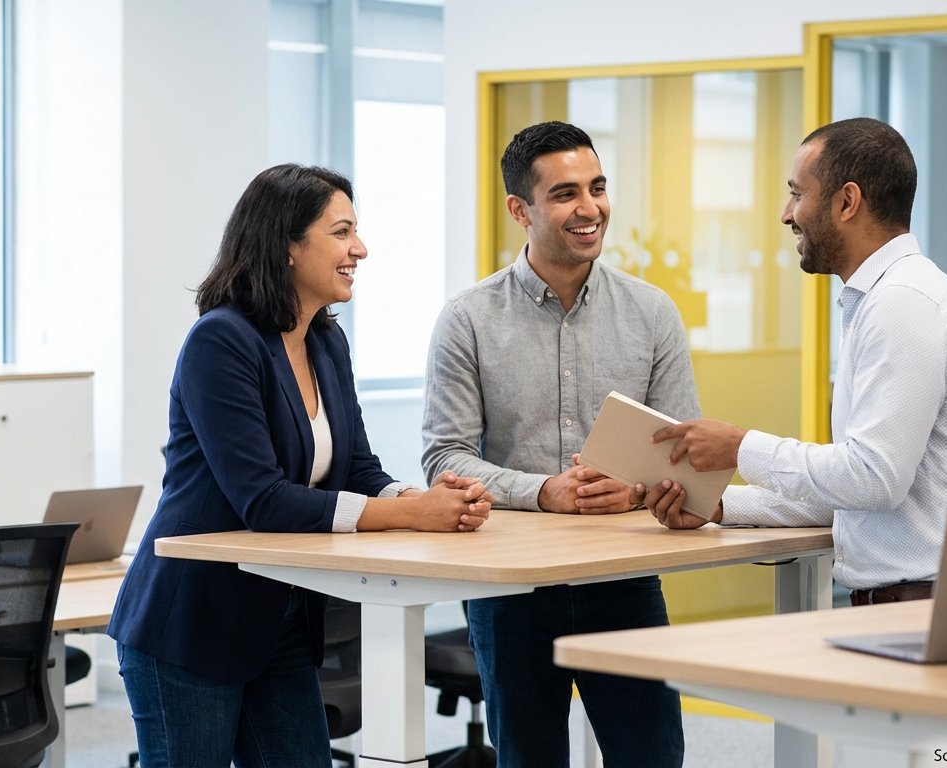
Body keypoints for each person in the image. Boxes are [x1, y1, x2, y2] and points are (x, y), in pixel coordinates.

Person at [108, 164, 493, 768]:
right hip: (192, 620)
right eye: (342, 232)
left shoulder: (325, 341)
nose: (359, 249)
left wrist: (422, 498)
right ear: (286, 245)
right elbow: (262, 499)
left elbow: (358, 467)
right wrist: (408, 514)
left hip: (280, 617)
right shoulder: (222, 342)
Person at [645, 118, 947, 606]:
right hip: (926, 599)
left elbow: (874, 480)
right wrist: (717, 504)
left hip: (930, 606)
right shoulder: (887, 298)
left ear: (847, 202)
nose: (786, 214)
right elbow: (849, 496)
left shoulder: (902, 303)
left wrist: (741, 447)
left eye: (797, 193)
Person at [422, 121, 695, 768]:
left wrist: (633, 487)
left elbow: (685, 446)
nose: (590, 208)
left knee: (653, 757)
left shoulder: (652, 314)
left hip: (623, 577)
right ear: (521, 209)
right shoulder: (469, 319)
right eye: (566, 193)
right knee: (529, 760)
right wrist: (544, 492)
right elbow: (443, 457)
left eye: (597, 188)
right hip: (511, 589)